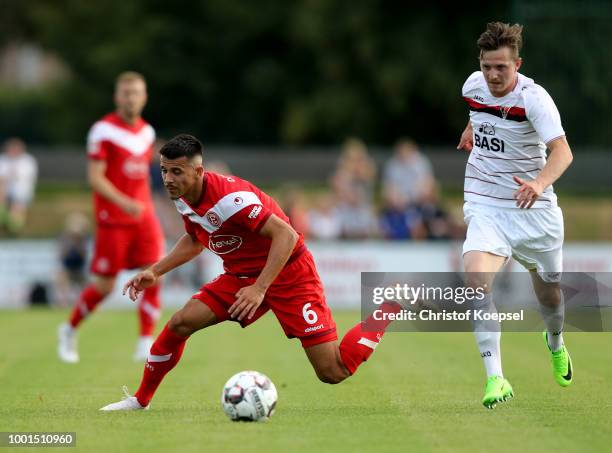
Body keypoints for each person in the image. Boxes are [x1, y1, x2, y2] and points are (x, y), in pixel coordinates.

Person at [99, 134, 400, 411]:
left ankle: (390, 305)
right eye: (164, 170)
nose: (168, 179)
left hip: (289, 272)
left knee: (333, 371)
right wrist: (155, 270)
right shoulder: (183, 197)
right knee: (180, 323)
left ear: (199, 171)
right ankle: (140, 400)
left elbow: (287, 236)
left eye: (176, 171)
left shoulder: (232, 200)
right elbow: (194, 239)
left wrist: (260, 288)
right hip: (241, 276)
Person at [456, 22, 574, 408]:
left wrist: (539, 184)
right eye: (487, 66)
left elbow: (562, 152)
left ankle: (555, 342)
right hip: (487, 203)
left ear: (517, 64)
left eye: (501, 68)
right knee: (476, 281)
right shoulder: (473, 86)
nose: (492, 75)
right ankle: (496, 379)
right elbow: (480, 111)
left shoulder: (535, 99)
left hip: (534, 210)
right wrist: (472, 129)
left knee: (550, 295)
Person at [57, 72, 165, 363]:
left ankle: (145, 341)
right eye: (126, 93)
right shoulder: (102, 130)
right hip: (113, 218)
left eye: (136, 93)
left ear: (144, 97)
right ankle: (68, 329)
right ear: (118, 97)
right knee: (105, 286)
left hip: (143, 217)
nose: (131, 98)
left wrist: (146, 204)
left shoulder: (147, 133)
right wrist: (124, 202)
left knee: (153, 274)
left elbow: (140, 176)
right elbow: (95, 177)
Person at [0, 137, 38, 235]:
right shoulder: (3, 159)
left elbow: (25, 179)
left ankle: (14, 228)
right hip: (5, 192)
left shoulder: (28, 161)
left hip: (21, 192)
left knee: (17, 206)